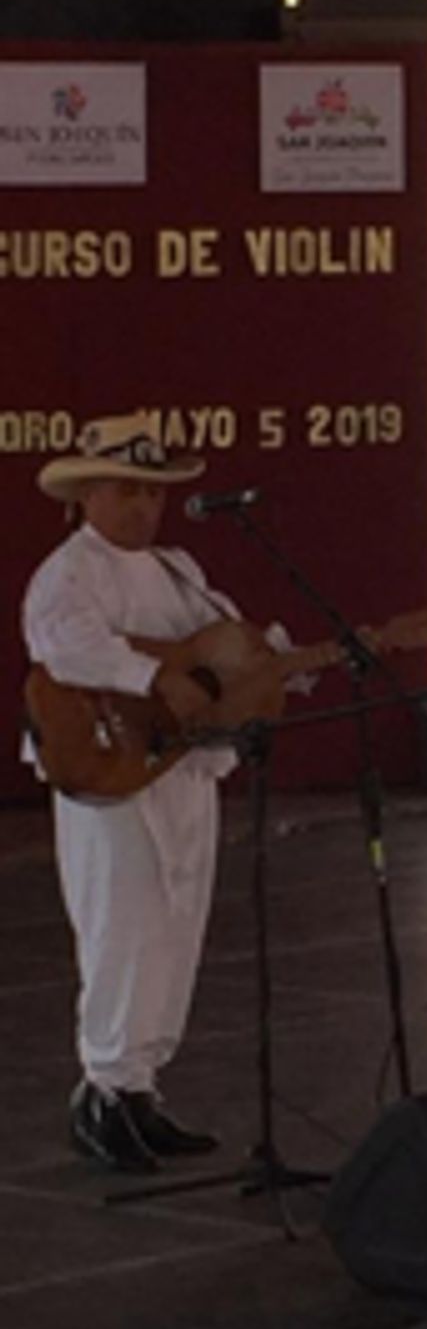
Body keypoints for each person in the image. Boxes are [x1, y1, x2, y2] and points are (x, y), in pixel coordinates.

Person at [23, 412, 237, 1172]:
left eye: (154, 493)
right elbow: (65, 644)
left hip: (177, 767)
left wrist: (269, 668)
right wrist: (152, 677)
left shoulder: (179, 568)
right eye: (127, 491)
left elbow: (224, 645)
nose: (145, 508)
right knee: (123, 923)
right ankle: (105, 1089)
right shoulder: (67, 572)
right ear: (87, 496)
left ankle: (141, 1085)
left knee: (176, 923)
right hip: (111, 774)